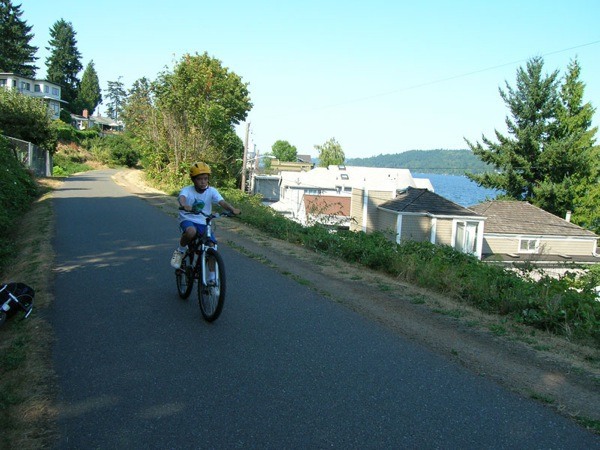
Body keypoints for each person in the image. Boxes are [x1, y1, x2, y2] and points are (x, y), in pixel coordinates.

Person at [170, 162, 241, 273]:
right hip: (188, 219)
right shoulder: (187, 190)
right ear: (193, 180)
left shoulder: (212, 191)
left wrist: (232, 209)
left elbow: (221, 202)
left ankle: (213, 280)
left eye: (205, 178)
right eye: (199, 179)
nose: (203, 182)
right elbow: (182, 198)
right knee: (191, 232)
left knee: (211, 247)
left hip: (204, 221)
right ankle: (180, 251)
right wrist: (184, 205)